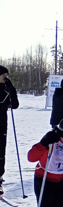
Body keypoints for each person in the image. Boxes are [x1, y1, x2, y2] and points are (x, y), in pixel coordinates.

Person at [0, 66, 20, 197]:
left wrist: (12, 89)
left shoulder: (6, 88)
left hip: (2, 124)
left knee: (1, 152)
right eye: (4, 76)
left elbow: (15, 105)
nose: (6, 78)